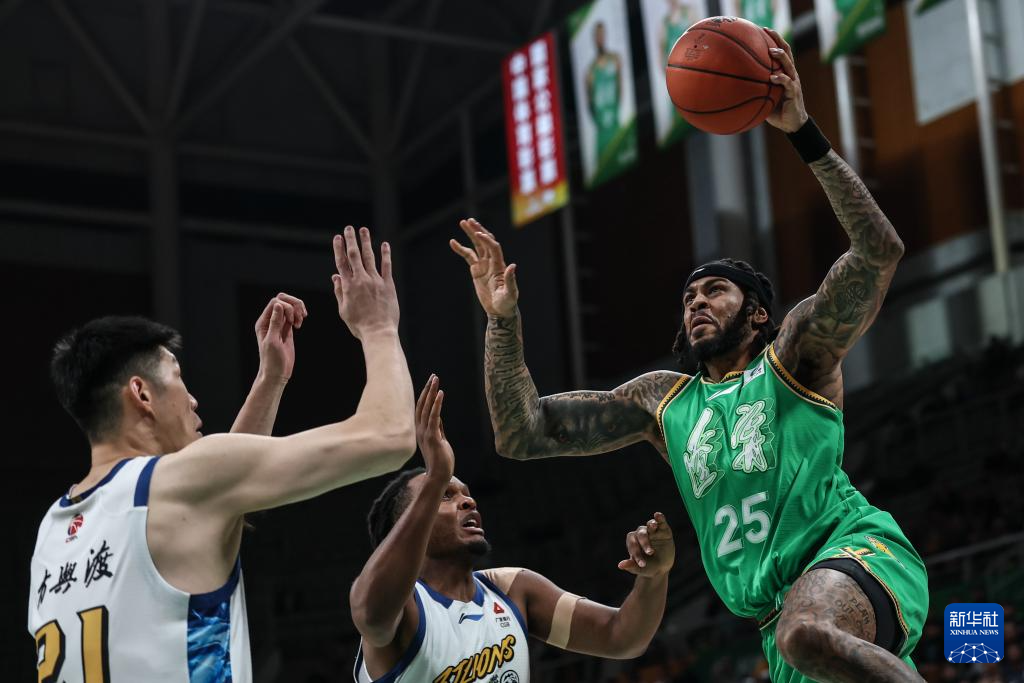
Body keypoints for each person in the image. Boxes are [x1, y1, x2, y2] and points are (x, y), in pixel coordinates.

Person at [451, 31, 928, 683]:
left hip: (857, 554)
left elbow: (879, 251)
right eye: (688, 296)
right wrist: (502, 323)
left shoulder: (795, 357)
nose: (697, 301)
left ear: (757, 313)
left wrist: (802, 132)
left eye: (716, 290)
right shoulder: (662, 401)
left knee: (806, 631)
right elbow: (522, 433)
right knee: (800, 636)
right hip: (778, 623)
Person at [29, 227, 416, 682]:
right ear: (142, 394)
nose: (193, 400)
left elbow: (222, 504)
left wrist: (270, 380)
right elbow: (390, 435)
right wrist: (378, 327)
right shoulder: (176, 483)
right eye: (178, 378)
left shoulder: (52, 530)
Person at [350, 376, 675, 682]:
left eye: (465, 493)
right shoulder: (405, 608)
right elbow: (369, 614)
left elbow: (620, 637)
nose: (468, 502)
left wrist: (654, 576)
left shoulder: (511, 589)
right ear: (406, 525)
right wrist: (436, 477)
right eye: (445, 496)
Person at [585, 21, 623, 166]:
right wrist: (598, 121)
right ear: (594, 39)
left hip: (615, 125)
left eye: (601, 34)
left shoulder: (615, 59)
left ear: (605, 36)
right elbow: (589, 103)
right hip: (601, 133)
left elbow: (620, 88)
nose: (600, 38)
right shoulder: (590, 71)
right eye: (597, 35)